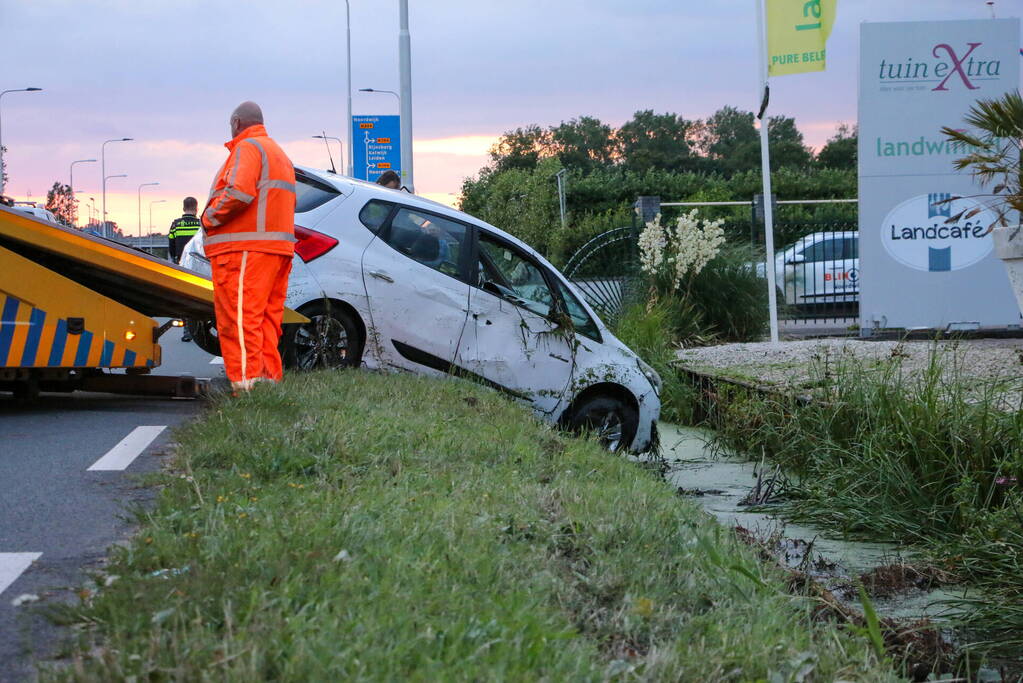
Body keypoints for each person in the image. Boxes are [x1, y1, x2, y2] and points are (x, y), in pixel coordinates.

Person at [201, 101, 297, 394]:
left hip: (244, 250)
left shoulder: (247, 148)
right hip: (274, 251)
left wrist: (208, 218)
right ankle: (266, 384)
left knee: (240, 320)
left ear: (236, 122)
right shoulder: (277, 152)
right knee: (266, 321)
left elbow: (239, 192)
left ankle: (245, 388)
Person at [168, 197, 201, 264]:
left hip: (181, 261)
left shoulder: (175, 225)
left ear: (183, 209)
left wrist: (174, 258)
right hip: (198, 262)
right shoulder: (201, 224)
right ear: (196, 209)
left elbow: (171, 244)